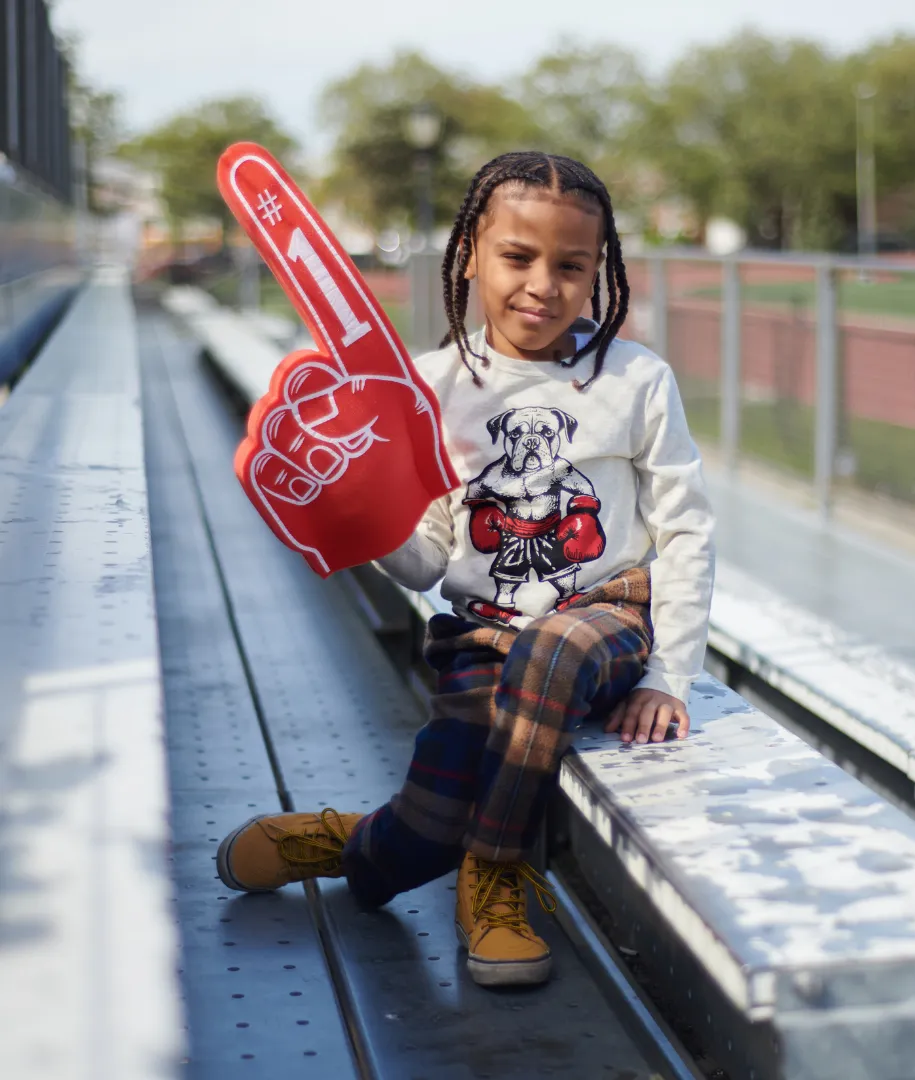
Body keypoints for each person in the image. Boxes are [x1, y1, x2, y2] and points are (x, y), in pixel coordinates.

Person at [215, 151, 716, 989]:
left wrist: (670, 673)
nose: (543, 285)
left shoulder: (636, 380)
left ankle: (494, 877)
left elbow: (689, 529)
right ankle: (346, 842)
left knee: (553, 651)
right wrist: (360, 515)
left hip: (605, 622)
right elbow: (428, 562)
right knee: (421, 834)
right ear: (469, 258)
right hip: (481, 640)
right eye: (519, 258)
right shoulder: (433, 387)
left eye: (571, 266)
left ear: (600, 271)